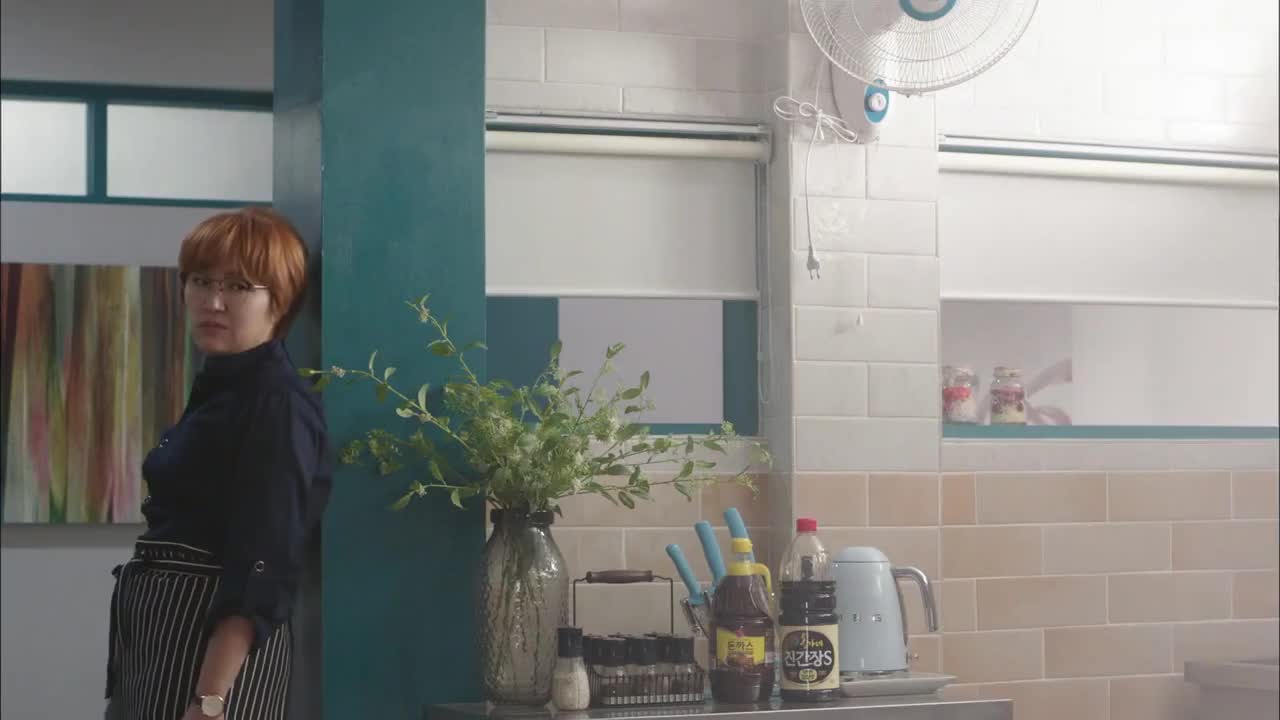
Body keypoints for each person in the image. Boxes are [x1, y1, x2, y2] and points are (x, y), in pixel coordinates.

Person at [105, 207, 331, 720]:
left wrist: (210, 701)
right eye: (201, 281)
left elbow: (264, 561)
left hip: (214, 664)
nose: (213, 301)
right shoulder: (221, 387)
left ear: (280, 299)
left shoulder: (277, 404)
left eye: (239, 287)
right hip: (159, 643)